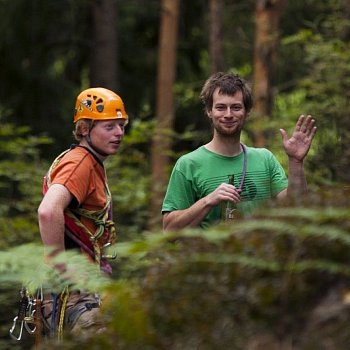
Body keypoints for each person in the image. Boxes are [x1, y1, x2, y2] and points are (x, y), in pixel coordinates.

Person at [162, 72, 317, 230]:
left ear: (247, 112)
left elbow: (296, 207)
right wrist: (208, 201)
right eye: (221, 107)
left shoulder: (265, 159)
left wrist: (296, 162)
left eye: (236, 107)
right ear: (209, 111)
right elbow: (169, 230)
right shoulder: (189, 164)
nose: (228, 115)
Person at [37, 87, 128, 336]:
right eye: (109, 127)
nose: (119, 133)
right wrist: (61, 265)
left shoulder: (90, 162)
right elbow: (48, 210)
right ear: (85, 129)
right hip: (72, 294)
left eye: (121, 126)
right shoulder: (80, 163)